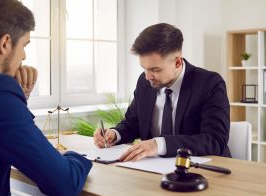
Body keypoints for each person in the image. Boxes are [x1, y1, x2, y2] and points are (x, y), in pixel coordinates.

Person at [0, 0, 92, 196]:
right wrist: (79, 157)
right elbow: (64, 182)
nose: (24, 56)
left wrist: (18, 99)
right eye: (24, 45)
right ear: (5, 43)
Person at [94, 23, 231, 161]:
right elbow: (132, 123)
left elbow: (215, 140)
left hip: (203, 169)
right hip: (153, 169)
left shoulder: (210, 83)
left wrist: (158, 145)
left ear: (177, 62)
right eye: (144, 69)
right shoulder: (145, 82)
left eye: (155, 70)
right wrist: (114, 134)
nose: (147, 76)